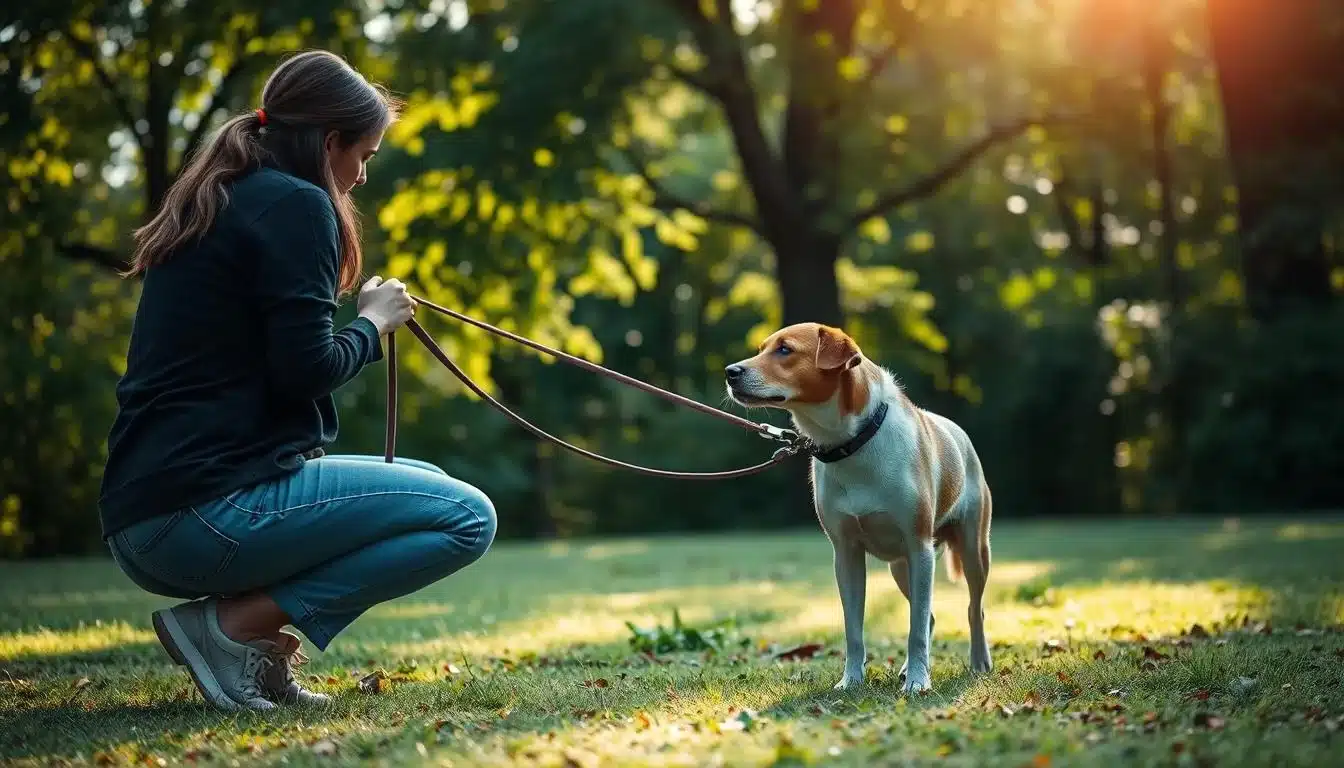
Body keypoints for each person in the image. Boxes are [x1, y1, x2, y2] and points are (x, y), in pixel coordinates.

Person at [98, 50, 498, 713]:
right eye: (363, 153)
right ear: (328, 141)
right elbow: (305, 371)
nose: (363, 174)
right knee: (465, 517)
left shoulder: (225, 196)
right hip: (200, 514)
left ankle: (238, 633)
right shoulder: (297, 205)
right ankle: (235, 630)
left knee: (430, 486)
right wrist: (373, 323)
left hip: (149, 516)